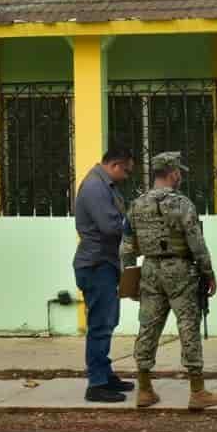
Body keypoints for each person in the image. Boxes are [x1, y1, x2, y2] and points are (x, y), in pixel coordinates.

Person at [120, 151, 217, 410]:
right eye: (179, 172)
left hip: (151, 269)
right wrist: (208, 272)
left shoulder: (136, 204)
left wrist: (129, 277)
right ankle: (197, 391)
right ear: (172, 172)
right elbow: (196, 242)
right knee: (188, 324)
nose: (180, 177)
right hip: (180, 269)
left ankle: (144, 389)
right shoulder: (182, 204)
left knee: (148, 327)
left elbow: (127, 247)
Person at [74, 146, 136, 403]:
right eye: (127, 171)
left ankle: (105, 374)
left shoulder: (104, 185)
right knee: (100, 324)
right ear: (116, 165)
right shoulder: (95, 187)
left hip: (105, 264)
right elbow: (111, 226)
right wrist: (135, 229)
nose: (127, 176)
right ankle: (96, 383)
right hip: (97, 265)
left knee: (107, 321)